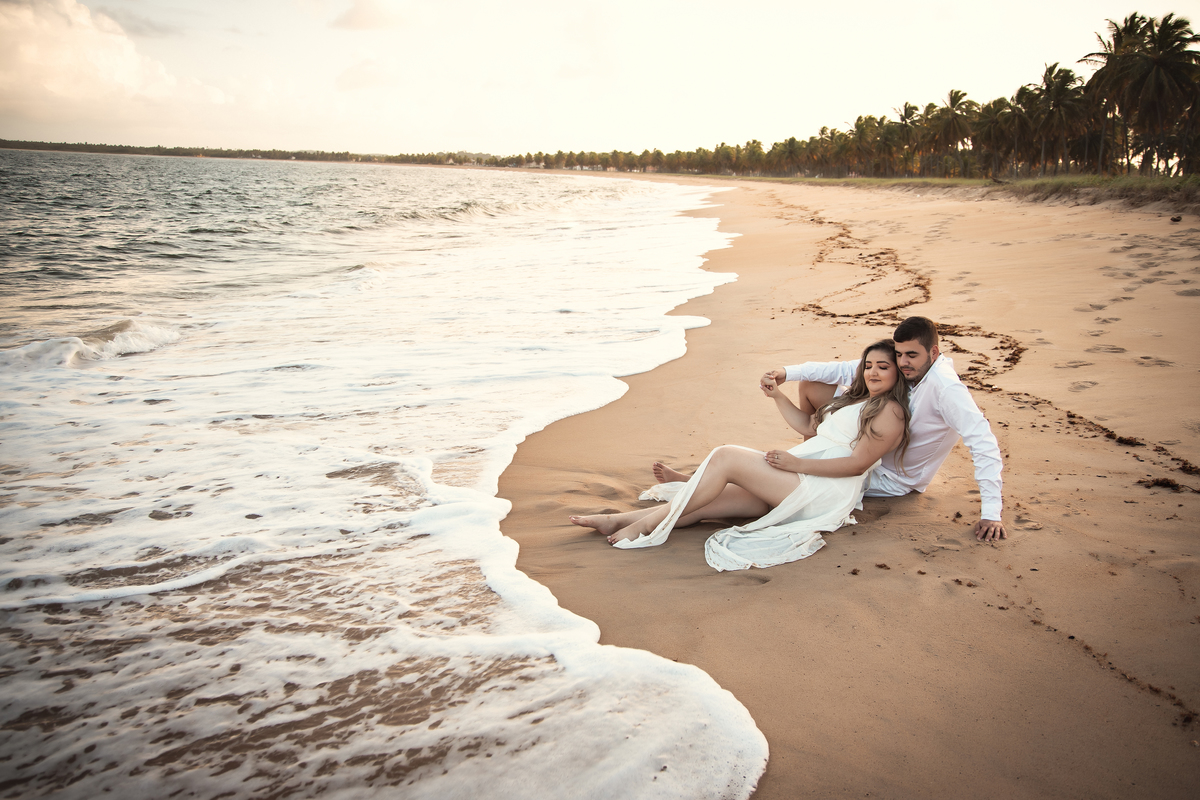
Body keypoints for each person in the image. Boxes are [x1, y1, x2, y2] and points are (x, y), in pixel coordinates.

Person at [569, 339, 911, 571]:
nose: (873, 372)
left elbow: (857, 464)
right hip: (801, 477)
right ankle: (620, 520)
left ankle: (645, 524)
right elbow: (810, 430)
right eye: (868, 366)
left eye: (883, 367)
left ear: (897, 372)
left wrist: (796, 463)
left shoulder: (890, 411)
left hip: (822, 489)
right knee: (707, 503)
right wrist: (777, 396)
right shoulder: (855, 400)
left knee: (726, 456)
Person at [761, 316, 1006, 542]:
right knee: (813, 384)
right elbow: (846, 370)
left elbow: (983, 442)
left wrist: (992, 513)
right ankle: (813, 449)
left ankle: (804, 472)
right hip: (870, 444)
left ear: (934, 352)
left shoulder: (946, 389)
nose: (903, 362)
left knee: (787, 478)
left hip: (891, 475)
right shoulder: (908, 366)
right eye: (899, 354)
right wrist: (787, 372)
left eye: (911, 355)